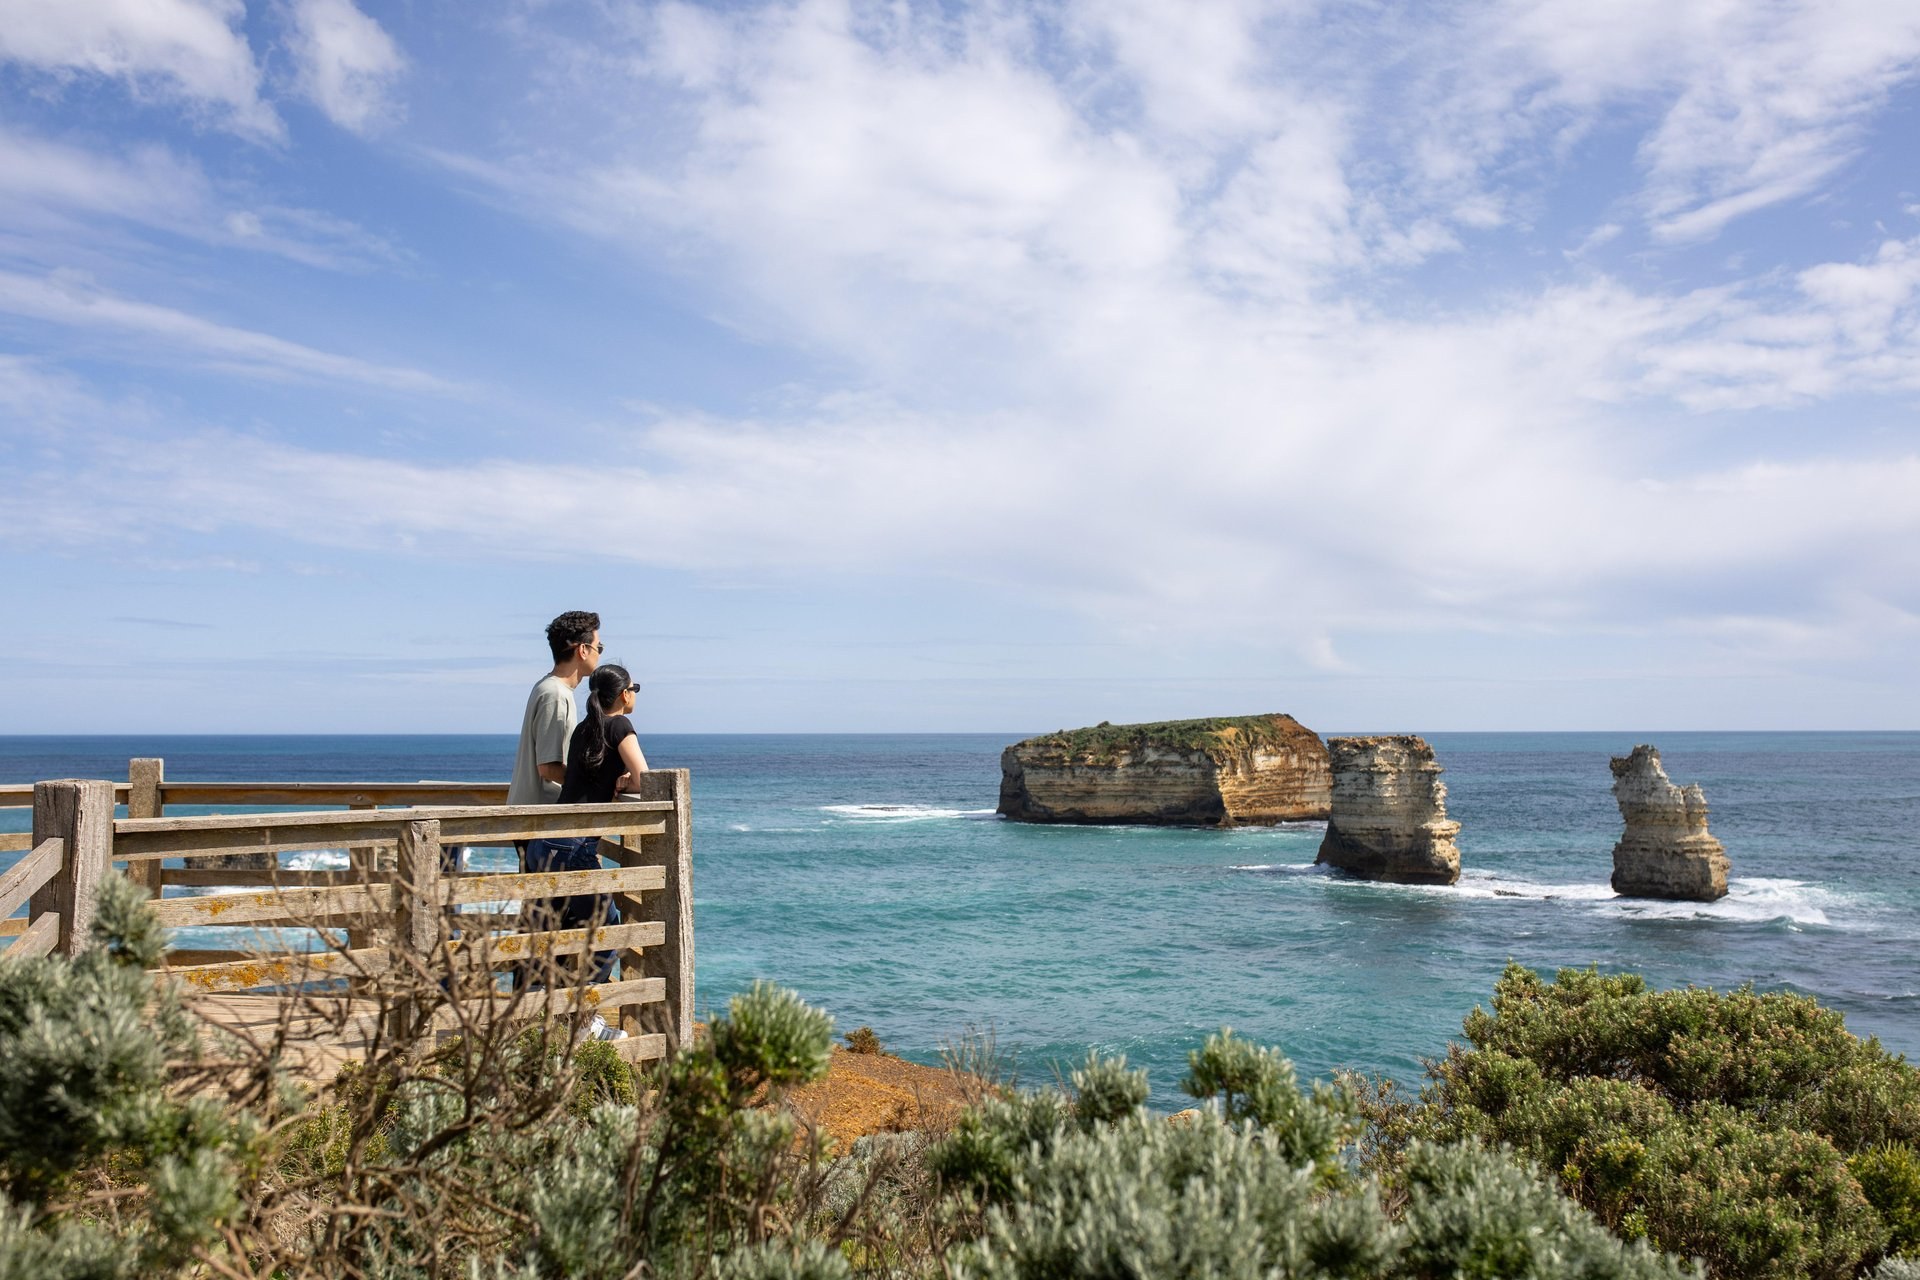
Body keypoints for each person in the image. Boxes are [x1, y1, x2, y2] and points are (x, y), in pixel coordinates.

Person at [523, 664, 649, 993]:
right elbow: (646, 779)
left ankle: (538, 1014)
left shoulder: (584, 728)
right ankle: (586, 1012)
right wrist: (626, 781)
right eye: (634, 689)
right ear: (624, 695)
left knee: (549, 935)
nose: (634, 695)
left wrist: (619, 778)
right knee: (606, 929)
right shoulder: (620, 725)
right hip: (574, 847)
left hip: (545, 842)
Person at [508, 610, 601, 809]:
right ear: (583, 650)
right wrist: (594, 785)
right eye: (598, 647)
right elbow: (548, 768)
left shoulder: (550, 688)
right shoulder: (555, 694)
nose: (600, 654)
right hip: (539, 819)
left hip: (534, 816)